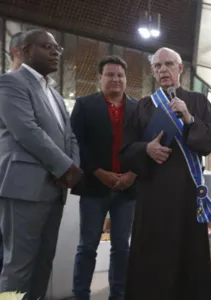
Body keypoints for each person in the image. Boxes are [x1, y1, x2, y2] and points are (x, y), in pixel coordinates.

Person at [119, 47, 211, 300]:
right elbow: (125, 150)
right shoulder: (142, 106)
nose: (163, 70)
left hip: (187, 193)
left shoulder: (198, 102)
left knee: (189, 254)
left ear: (180, 68)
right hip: (153, 193)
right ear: (153, 71)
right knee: (152, 255)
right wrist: (147, 149)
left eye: (168, 64)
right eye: (158, 66)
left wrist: (189, 119)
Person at [0, 29, 82, 300]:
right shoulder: (11, 83)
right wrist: (66, 167)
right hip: (25, 188)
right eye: (47, 47)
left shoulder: (55, 94)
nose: (56, 52)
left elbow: (69, 135)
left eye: (58, 47)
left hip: (54, 188)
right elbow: (27, 130)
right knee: (18, 266)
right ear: (25, 51)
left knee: (44, 261)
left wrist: (72, 166)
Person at [71, 55, 137, 300]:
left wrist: (132, 174)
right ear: (100, 78)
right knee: (87, 246)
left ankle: (118, 295)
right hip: (93, 186)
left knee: (122, 247)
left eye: (120, 75)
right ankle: (81, 295)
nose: (115, 79)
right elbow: (77, 144)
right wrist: (99, 172)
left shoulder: (137, 107)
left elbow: (143, 145)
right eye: (110, 75)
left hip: (128, 188)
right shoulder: (85, 105)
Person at [0, 30, 24, 276]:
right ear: (18, 52)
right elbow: (27, 132)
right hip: (10, 180)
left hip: (25, 187)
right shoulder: (8, 83)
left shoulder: (41, 91)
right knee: (12, 263)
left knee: (15, 261)